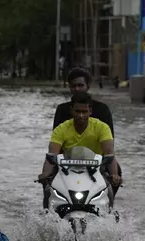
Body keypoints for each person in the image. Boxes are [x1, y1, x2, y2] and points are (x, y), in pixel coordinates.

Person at [39, 91, 122, 208]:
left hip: (96, 169)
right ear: (71, 110)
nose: (81, 115)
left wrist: (114, 175)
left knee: (108, 190)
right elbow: (51, 155)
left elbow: (110, 154)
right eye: (77, 111)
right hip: (66, 169)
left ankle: (111, 214)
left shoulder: (102, 127)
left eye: (84, 112)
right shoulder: (61, 129)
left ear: (90, 111)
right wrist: (45, 174)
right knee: (49, 189)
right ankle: (46, 214)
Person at [50, 67, 122, 201]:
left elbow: (109, 146)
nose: (77, 88)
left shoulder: (102, 110)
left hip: (97, 162)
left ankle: (110, 207)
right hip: (67, 161)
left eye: (80, 85)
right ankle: (48, 210)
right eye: (74, 86)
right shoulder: (61, 110)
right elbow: (55, 145)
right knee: (49, 181)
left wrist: (112, 172)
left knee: (115, 173)